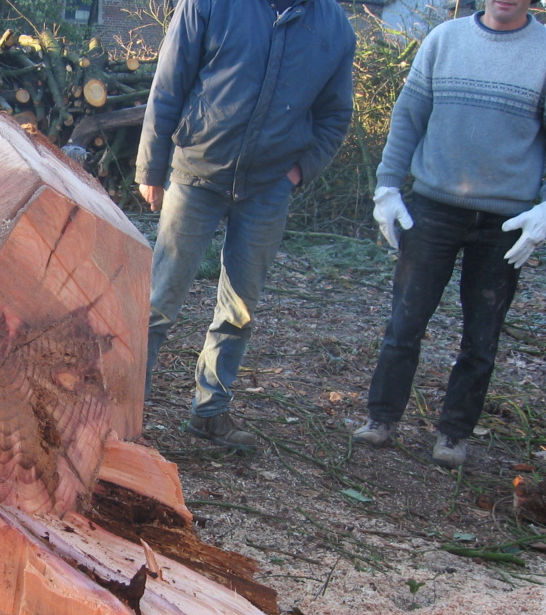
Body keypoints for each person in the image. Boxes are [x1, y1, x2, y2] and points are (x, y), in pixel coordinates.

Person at [135, 0, 356, 450]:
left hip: (268, 186)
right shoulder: (210, 4)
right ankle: (124, 407)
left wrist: (300, 170)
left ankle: (209, 411)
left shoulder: (334, 27)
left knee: (239, 307)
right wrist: (151, 169)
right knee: (159, 300)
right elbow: (169, 84)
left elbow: (335, 114)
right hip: (197, 168)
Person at [353, 0, 546, 469]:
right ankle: (381, 418)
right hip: (433, 208)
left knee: (482, 336)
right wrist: (387, 185)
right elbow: (409, 116)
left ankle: (455, 433)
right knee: (405, 321)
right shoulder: (445, 40)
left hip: (506, 221)